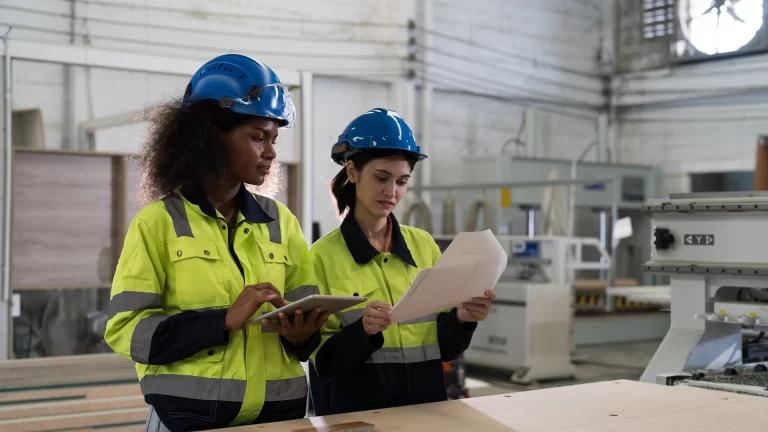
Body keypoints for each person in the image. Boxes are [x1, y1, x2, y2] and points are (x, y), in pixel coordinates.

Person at [104, 54, 329, 432]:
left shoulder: (281, 223)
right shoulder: (158, 224)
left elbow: (310, 326)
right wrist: (221, 321)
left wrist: (304, 334)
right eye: (258, 137)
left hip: (279, 419)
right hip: (188, 422)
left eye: (273, 138)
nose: (271, 153)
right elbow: (126, 330)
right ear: (210, 136)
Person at [307, 108, 496, 415]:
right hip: (357, 420)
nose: (391, 192)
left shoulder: (423, 245)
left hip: (426, 413)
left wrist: (462, 318)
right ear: (352, 172)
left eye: (402, 181)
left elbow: (445, 347)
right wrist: (362, 333)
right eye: (382, 178)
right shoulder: (321, 257)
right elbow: (323, 363)